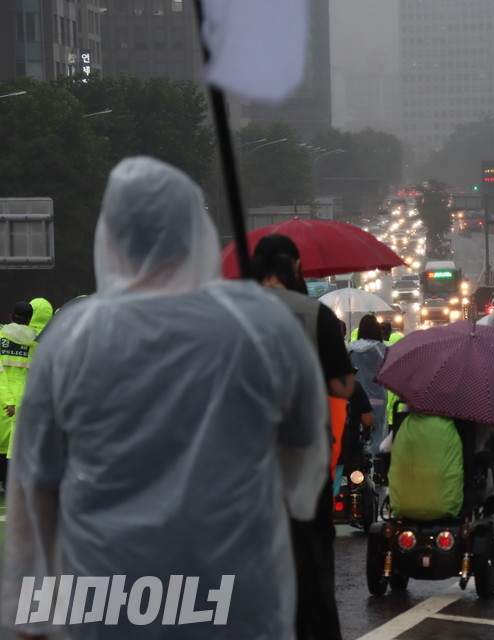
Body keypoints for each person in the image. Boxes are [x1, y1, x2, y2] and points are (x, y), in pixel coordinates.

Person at [2, 156, 329, 639]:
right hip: (233, 594)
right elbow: (304, 471)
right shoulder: (262, 329)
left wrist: (29, 614)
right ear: (196, 235)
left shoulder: (71, 337)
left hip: (105, 599)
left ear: (110, 240)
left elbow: (35, 486)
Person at [251, 234, 356, 640]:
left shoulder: (227, 313)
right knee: (311, 568)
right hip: (301, 465)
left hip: (240, 467)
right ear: (294, 268)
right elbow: (343, 387)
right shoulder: (316, 316)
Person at [0, 301, 38, 479]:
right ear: (30, 321)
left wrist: (7, 400)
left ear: (10, 317)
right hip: (23, 404)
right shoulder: (36, 347)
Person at [348, 315, 389, 450]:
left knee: (356, 434)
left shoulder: (350, 349)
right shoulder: (381, 350)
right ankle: (376, 466)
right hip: (378, 399)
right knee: (378, 437)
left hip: (355, 400)